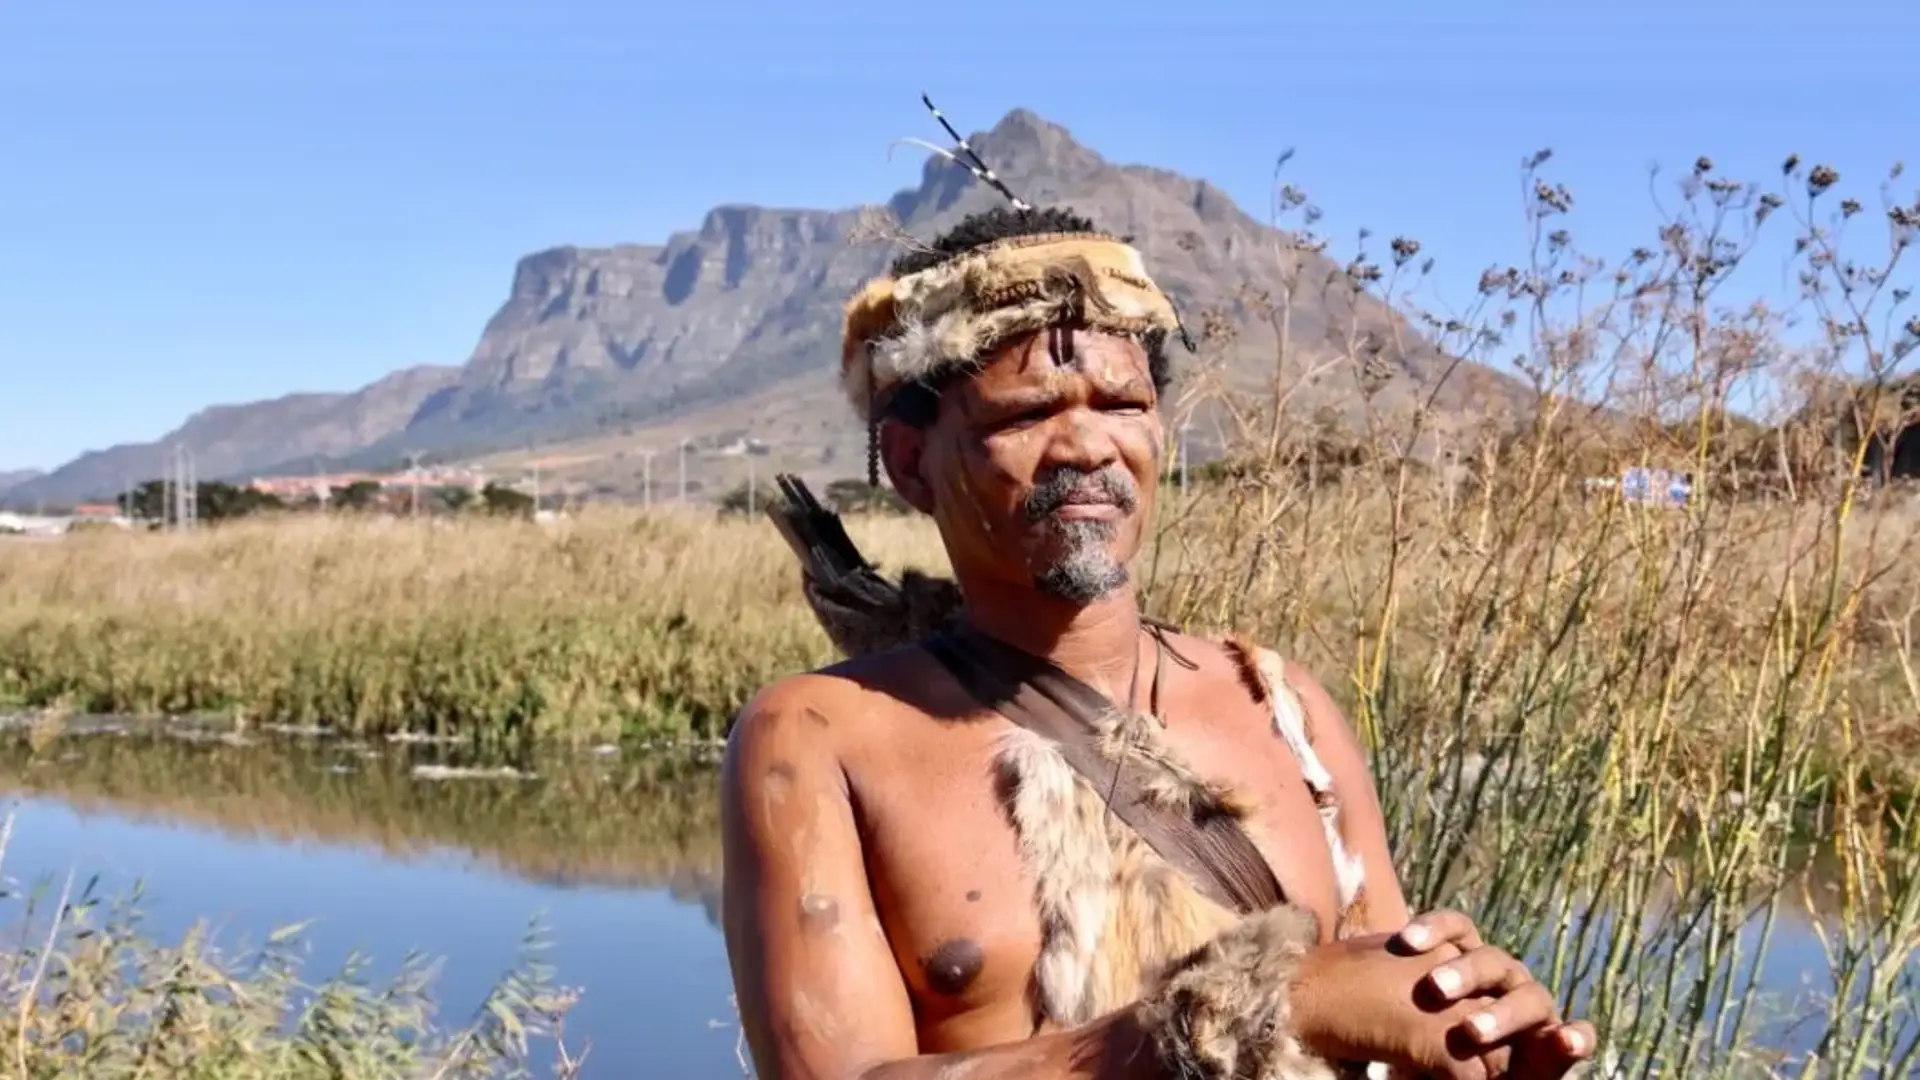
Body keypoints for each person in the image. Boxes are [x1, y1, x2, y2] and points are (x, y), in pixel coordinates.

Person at [721, 109, 1597, 1080]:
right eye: (1030, 412)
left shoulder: (1282, 707)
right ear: (913, 461)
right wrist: (1252, 1007)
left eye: (1123, 404)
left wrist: (1467, 1036)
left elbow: (1381, 1024)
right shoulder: (821, 736)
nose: (1090, 445)